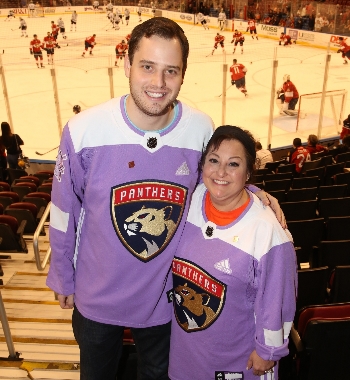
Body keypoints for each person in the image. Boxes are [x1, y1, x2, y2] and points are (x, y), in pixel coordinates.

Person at [46, 17, 284, 380]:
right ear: (127, 65)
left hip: (163, 303)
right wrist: (62, 274)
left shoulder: (200, 128)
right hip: (95, 299)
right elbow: (65, 210)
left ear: (183, 74)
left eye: (170, 71)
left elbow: (214, 176)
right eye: (147, 67)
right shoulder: (83, 131)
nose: (158, 83)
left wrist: (249, 189)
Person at [168, 125, 297, 380]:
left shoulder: (268, 231)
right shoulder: (190, 198)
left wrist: (269, 351)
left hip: (237, 360)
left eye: (234, 164)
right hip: (186, 354)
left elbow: (277, 297)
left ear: (249, 172)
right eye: (213, 161)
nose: (221, 172)